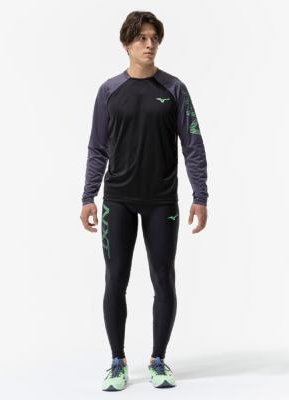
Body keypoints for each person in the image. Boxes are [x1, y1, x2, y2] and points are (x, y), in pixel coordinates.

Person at [80, 10, 208, 391]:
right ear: (127, 44)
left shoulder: (174, 89)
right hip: (117, 200)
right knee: (115, 280)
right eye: (142, 38)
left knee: (163, 279)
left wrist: (200, 195)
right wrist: (88, 195)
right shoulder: (109, 91)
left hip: (161, 202)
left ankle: (158, 359)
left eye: (154, 38)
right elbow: (97, 148)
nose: (149, 44)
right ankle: (117, 361)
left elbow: (193, 145)